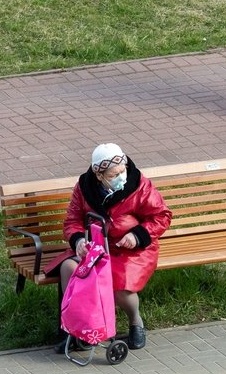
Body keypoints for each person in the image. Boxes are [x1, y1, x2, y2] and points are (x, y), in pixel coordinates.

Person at [45, 143, 172, 352]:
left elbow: (161, 216)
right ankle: (78, 330)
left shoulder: (139, 185)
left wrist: (137, 235)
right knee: (69, 268)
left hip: (132, 249)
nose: (121, 177)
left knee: (119, 285)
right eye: (114, 175)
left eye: (122, 171)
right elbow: (73, 220)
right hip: (96, 246)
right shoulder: (84, 188)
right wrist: (78, 241)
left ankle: (136, 322)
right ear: (99, 175)